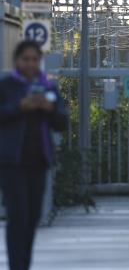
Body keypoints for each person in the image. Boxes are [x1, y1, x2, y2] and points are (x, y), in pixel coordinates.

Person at [0, 40, 68, 270]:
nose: (30, 64)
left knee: (32, 217)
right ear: (17, 61)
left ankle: (24, 264)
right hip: (12, 162)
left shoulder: (48, 87)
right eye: (25, 59)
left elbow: (62, 123)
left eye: (34, 59)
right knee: (17, 217)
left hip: (39, 160)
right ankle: (17, 266)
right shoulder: (7, 85)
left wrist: (50, 109)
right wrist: (21, 107)